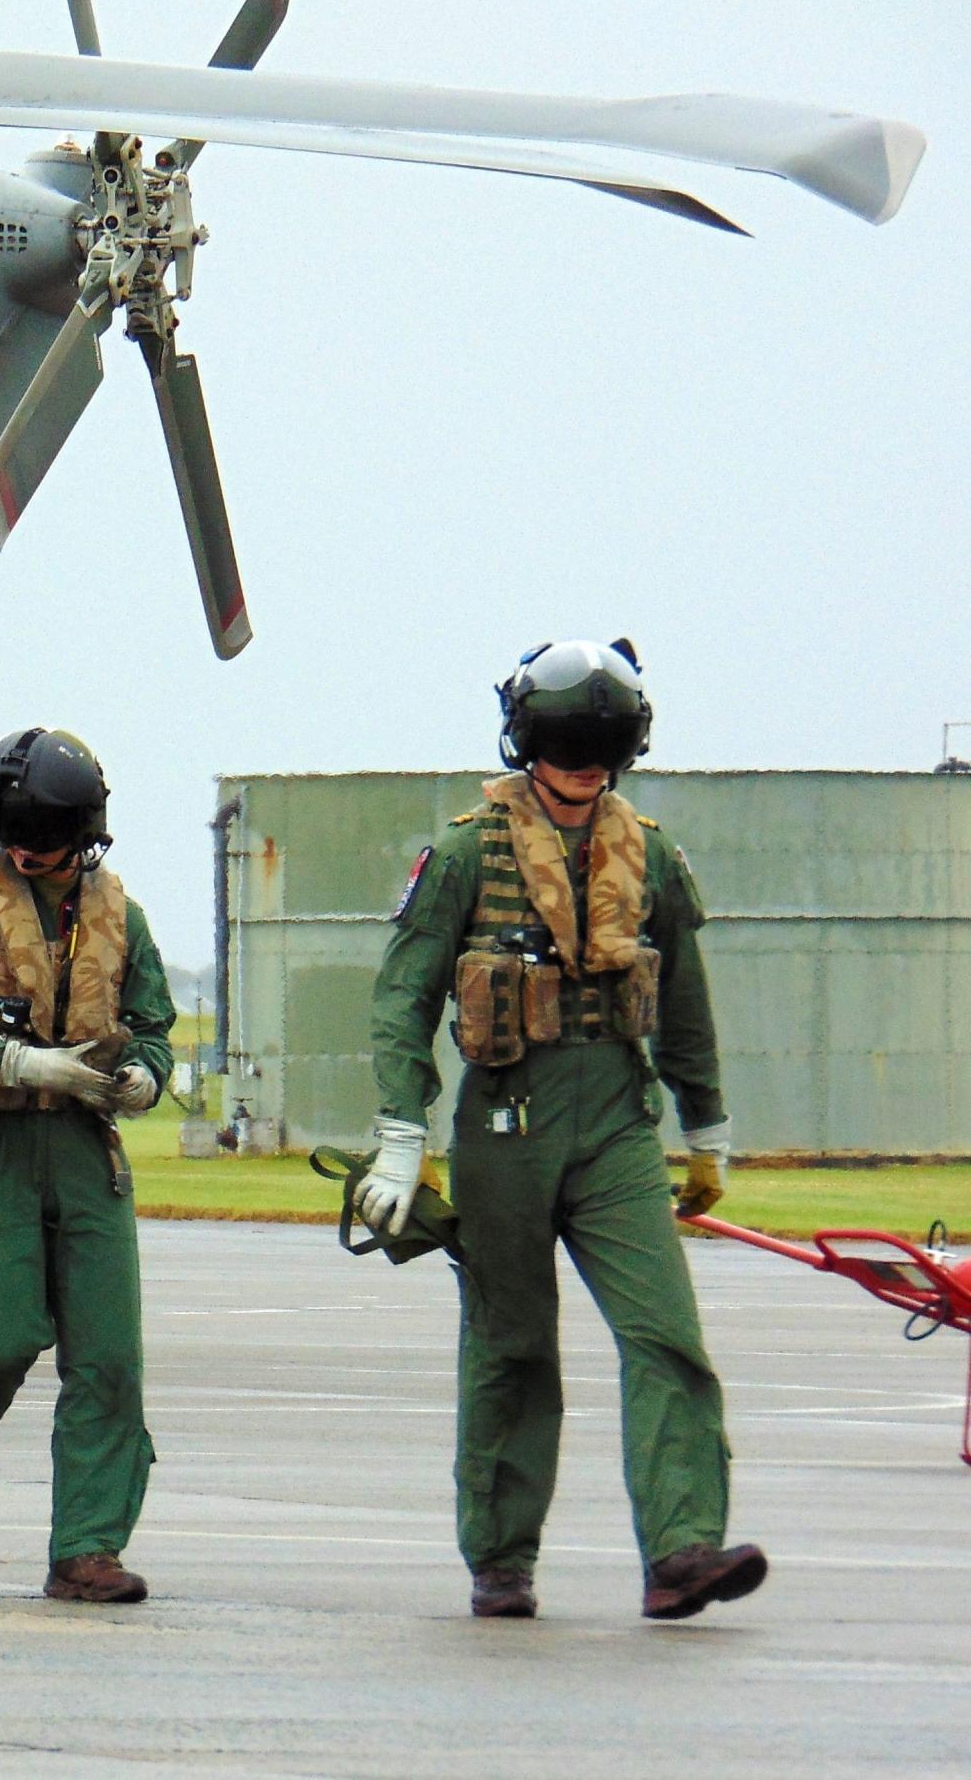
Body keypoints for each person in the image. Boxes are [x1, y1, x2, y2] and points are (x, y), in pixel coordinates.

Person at [363, 638, 766, 1622]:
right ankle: (501, 1558)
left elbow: (687, 1005)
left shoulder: (653, 854)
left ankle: (681, 1552)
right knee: (514, 1345)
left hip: (618, 1130)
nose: (583, 771)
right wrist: (399, 1136)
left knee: (666, 1335)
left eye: (600, 751)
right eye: (565, 748)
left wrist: (705, 1128)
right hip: (505, 1126)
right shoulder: (465, 853)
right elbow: (402, 999)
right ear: (526, 743)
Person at [0, 728, 174, 1604]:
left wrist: (144, 1078)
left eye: (43, 837)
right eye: (12, 835)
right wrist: (13, 1063)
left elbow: (155, 1022)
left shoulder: (122, 917)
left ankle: (87, 1547)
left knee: (108, 1358)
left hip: (90, 1154)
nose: (25, 851)